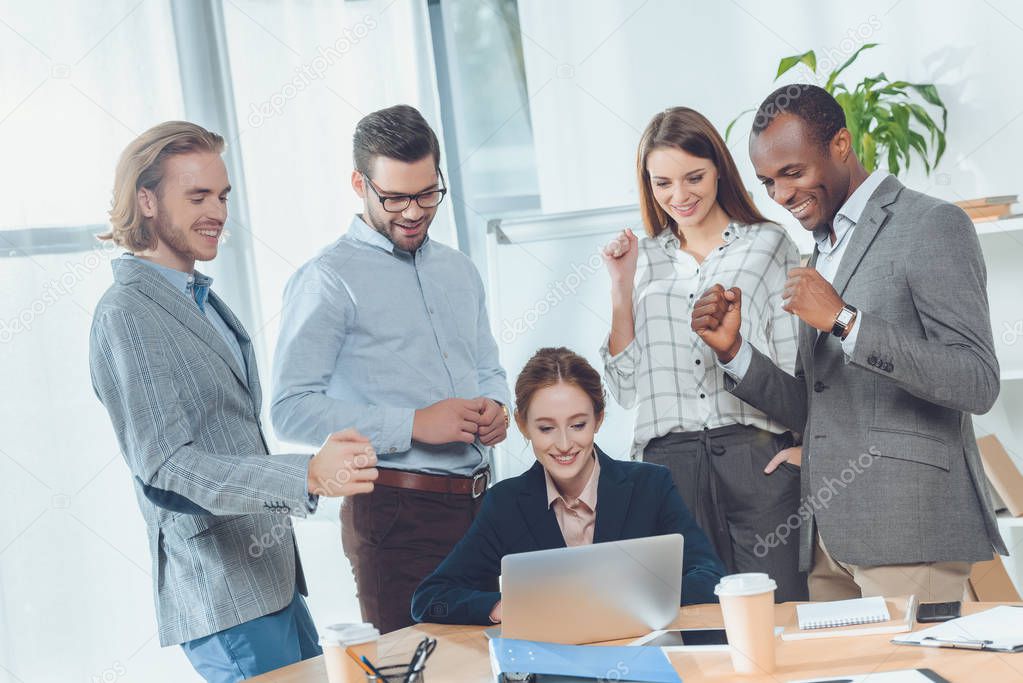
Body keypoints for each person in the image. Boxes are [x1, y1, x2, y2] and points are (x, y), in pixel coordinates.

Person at [692, 84, 1007, 601]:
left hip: (910, 535)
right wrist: (735, 352)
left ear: (840, 145)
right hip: (827, 542)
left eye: (792, 173)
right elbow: (815, 404)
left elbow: (976, 380)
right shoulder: (818, 254)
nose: (781, 196)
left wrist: (844, 320)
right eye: (768, 182)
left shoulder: (931, 225)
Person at [89, 121, 379, 683]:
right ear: (146, 200)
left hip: (269, 580)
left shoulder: (200, 299)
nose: (217, 212)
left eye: (221, 196)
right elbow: (168, 468)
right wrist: (308, 476)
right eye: (197, 196)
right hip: (220, 590)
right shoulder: (127, 312)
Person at [271, 104, 510, 634]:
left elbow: (488, 367)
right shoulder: (327, 280)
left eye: (427, 194)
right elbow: (289, 410)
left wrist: (498, 407)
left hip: (483, 507)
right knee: (415, 671)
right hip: (395, 514)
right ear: (359, 184)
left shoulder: (460, 269)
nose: (413, 211)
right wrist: (413, 423)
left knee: (500, 663)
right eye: (395, 197)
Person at [600, 107, 806, 601]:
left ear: (719, 168)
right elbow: (625, 389)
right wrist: (621, 288)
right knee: (694, 622)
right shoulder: (640, 259)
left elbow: (799, 374)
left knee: (776, 615)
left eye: (694, 177)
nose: (680, 196)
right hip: (668, 466)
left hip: (756, 459)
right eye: (663, 183)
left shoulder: (768, 245)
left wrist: (809, 449)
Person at [410, 347, 725, 625]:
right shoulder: (504, 503)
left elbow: (711, 578)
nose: (563, 444)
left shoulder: (651, 486)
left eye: (578, 425)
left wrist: (628, 595)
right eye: (546, 428)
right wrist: (500, 607)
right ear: (522, 425)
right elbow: (429, 599)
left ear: (598, 419)